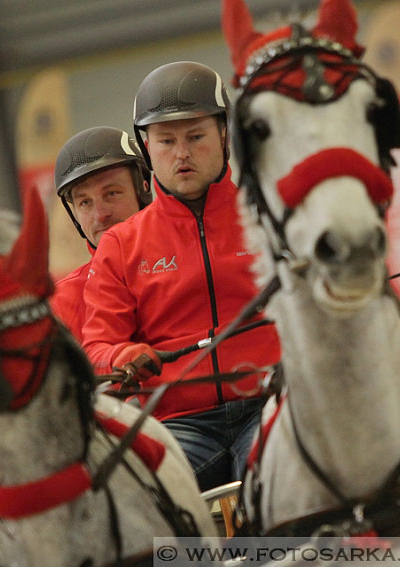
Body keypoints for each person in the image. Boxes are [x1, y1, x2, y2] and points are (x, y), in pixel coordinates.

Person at [81, 61, 281, 491]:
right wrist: (120, 357)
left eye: (195, 137)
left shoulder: (270, 213)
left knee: (278, 484)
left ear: (224, 135)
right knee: (139, 500)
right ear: (146, 148)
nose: (182, 153)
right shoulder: (120, 244)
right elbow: (96, 345)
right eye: (166, 141)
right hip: (178, 423)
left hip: (271, 401)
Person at [50, 127, 151, 343]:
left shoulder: (191, 261)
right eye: (85, 202)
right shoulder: (63, 303)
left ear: (143, 190)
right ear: (74, 214)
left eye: (111, 193)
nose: (100, 215)